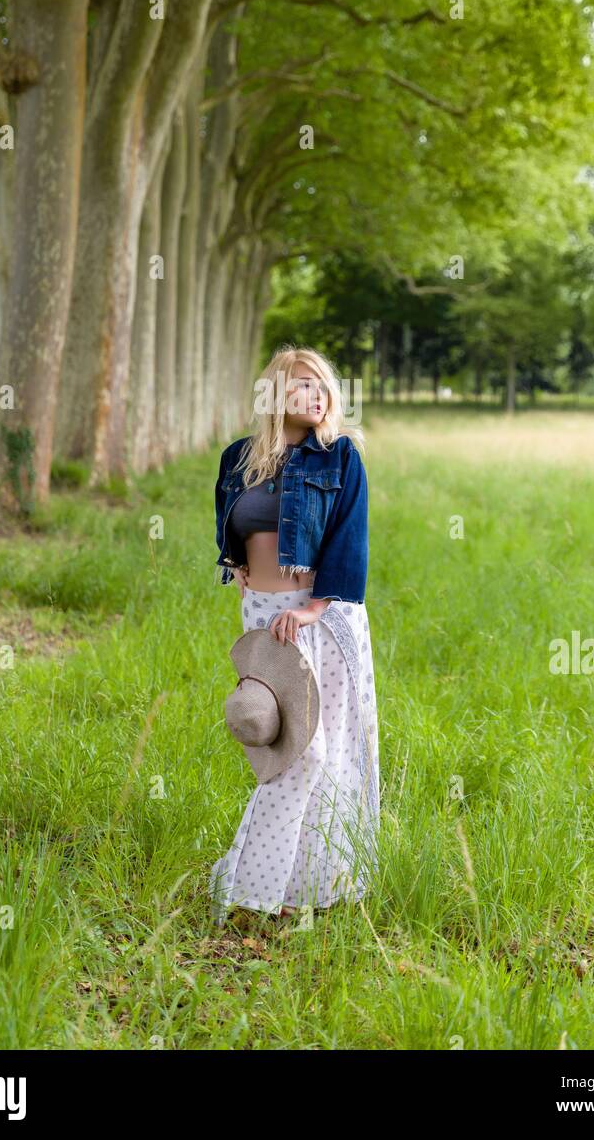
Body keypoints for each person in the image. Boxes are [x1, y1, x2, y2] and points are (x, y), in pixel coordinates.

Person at [209, 345, 381, 923]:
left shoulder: (339, 459)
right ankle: (271, 886)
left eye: (322, 387)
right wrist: (235, 568)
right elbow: (230, 525)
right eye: (302, 384)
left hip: (319, 619)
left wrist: (314, 607)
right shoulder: (238, 458)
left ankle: (274, 887)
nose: (316, 396)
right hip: (263, 617)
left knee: (317, 756)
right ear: (274, 392)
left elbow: (349, 541)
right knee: (281, 748)